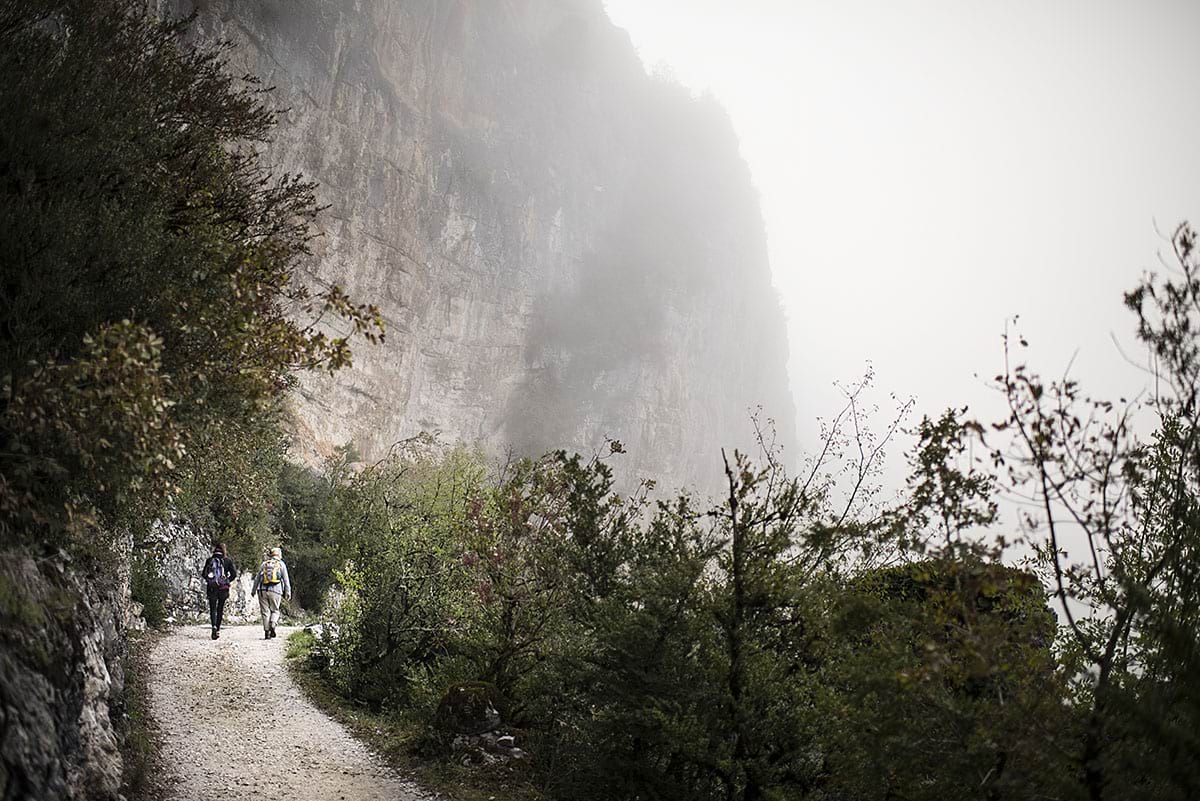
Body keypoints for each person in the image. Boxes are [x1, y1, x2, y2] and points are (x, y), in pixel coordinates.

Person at [251, 546, 291, 639]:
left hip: (262, 590)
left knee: (265, 612)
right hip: (276, 591)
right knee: (275, 610)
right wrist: (288, 592)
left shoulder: (264, 564)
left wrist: (253, 590)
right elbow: (286, 580)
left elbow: (257, 578)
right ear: (279, 555)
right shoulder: (281, 564)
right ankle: (273, 624)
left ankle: (267, 632)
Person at [201, 543, 237, 640]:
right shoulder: (227, 561)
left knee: (213, 608)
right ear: (224, 550)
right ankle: (217, 629)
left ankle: (213, 626)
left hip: (212, 587)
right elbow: (234, 574)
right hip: (223, 588)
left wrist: (210, 581)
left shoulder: (210, 560)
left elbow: (204, 574)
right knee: (220, 608)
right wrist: (227, 580)